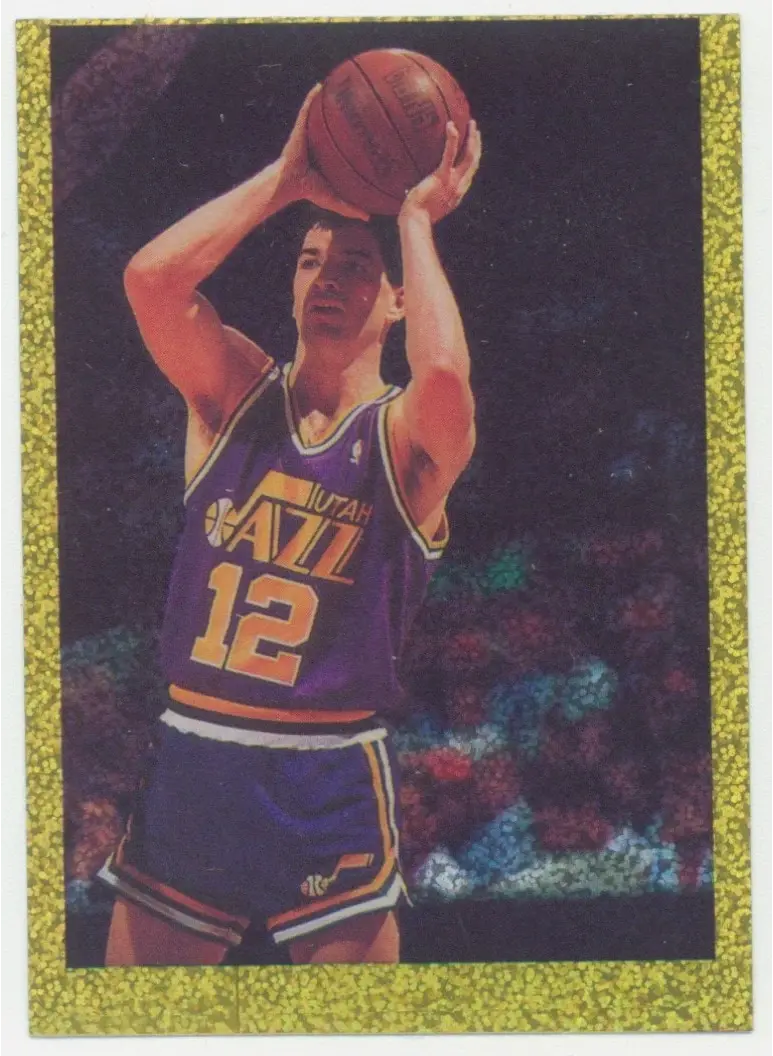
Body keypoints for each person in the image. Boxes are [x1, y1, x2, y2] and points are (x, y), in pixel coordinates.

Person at [98, 84, 482, 966]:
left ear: (397, 301)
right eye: (311, 262)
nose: (328, 279)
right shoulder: (234, 393)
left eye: (355, 266)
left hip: (326, 768)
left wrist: (414, 223)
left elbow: (444, 379)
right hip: (194, 754)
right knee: (142, 1025)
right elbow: (151, 281)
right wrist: (284, 178)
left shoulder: (402, 437)